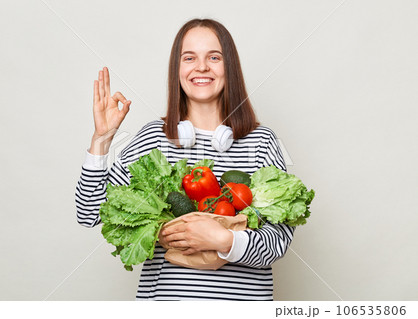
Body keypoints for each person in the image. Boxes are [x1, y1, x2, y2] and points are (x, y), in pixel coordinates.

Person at [75, 18, 294, 301]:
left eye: (214, 57)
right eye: (189, 57)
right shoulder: (153, 139)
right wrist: (101, 139)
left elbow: (279, 241)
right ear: (177, 70)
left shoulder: (261, 141)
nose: (201, 67)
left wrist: (224, 240)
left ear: (230, 67)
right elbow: (89, 213)